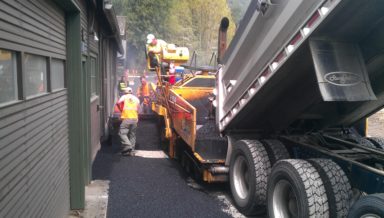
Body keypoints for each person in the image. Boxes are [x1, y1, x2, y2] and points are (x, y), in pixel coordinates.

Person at [117, 87, 140, 156]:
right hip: (135, 118)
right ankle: (132, 152)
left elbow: (118, 103)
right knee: (132, 135)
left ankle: (128, 146)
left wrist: (121, 110)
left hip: (127, 117)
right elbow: (138, 108)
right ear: (132, 92)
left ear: (125, 92)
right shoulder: (136, 99)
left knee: (122, 133)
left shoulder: (124, 97)